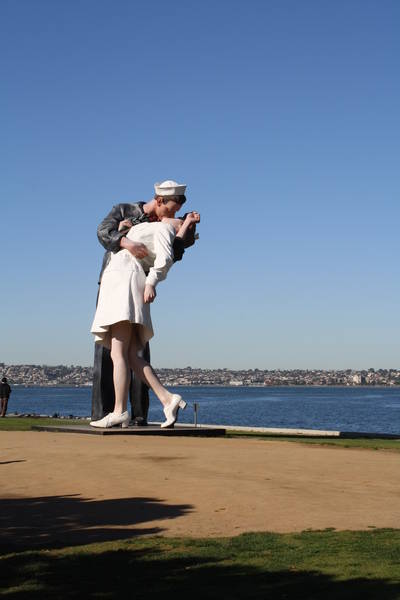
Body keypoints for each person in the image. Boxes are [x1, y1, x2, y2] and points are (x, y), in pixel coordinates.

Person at [91, 180, 195, 425]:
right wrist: (124, 236)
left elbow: (169, 256)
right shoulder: (129, 213)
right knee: (130, 353)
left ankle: (120, 412)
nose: (173, 215)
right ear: (159, 201)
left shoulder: (162, 228)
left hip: (124, 282)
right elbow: (103, 232)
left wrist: (151, 282)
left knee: (119, 352)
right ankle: (166, 399)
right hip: (120, 281)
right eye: (171, 209)